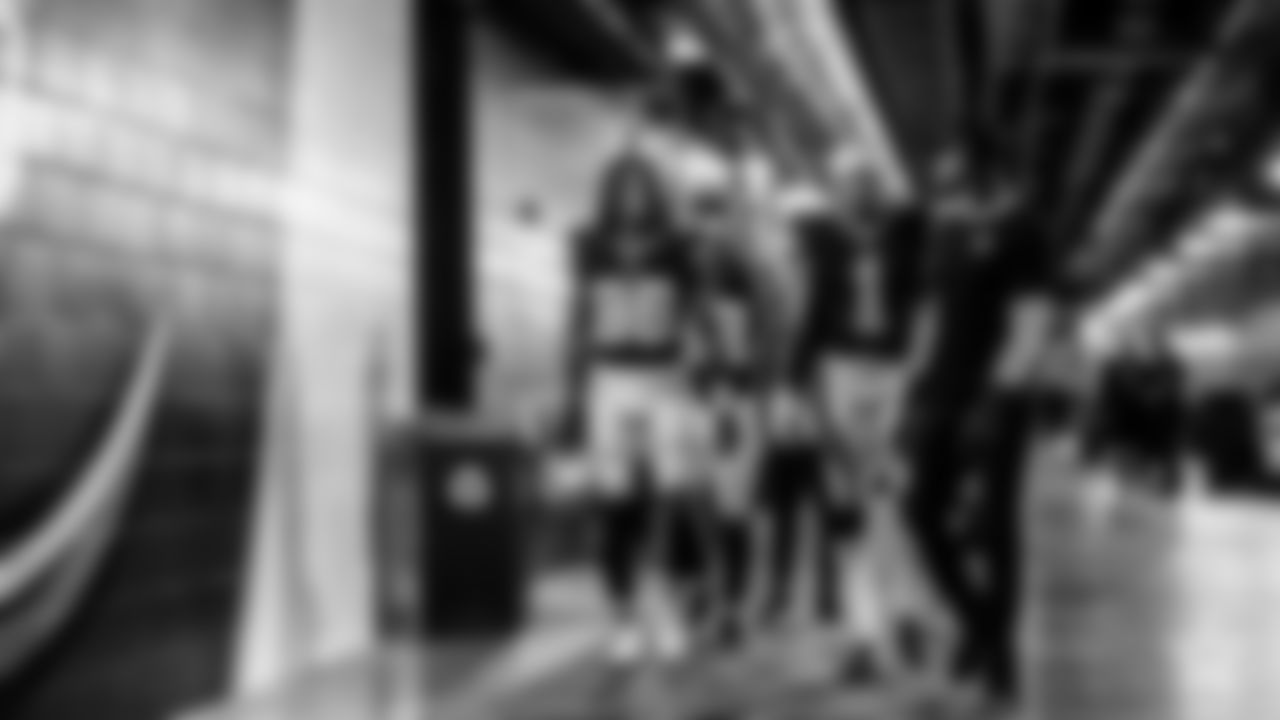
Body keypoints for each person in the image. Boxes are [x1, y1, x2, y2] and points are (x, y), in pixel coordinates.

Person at [900, 143, 1067, 711]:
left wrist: (997, 398)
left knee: (996, 528)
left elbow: (1033, 321)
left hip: (997, 398)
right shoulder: (943, 231)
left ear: (986, 175)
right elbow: (930, 316)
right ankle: (978, 623)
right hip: (941, 395)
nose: (943, 188)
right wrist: (913, 391)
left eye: (954, 177)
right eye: (941, 181)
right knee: (920, 512)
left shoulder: (1024, 231)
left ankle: (1001, 668)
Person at [790, 167, 932, 683]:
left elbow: (922, 311)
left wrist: (917, 378)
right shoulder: (823, 244)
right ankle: (865, 633)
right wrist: (795, 383)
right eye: (850, 190)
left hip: (891, 376)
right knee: (845, 505)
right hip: (838, 373)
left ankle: (904, 609)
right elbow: (811, 314)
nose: (859, 198)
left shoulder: (910, 241)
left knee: (886, 499)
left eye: (868, 189)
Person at [563, 152, 703, 664]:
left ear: (655, 193)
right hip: (609, 377)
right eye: (623, 187)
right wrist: (572, 388)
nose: (633, 197)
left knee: (669, 493)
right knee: (616, 501)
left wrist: (702, 375)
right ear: (609, 193)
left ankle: (665, 604)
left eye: (641, 186)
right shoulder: (588, 243)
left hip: (664, 376)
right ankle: (622, 613)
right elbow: (578, 315)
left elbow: (696, 314)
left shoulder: (679, 246)